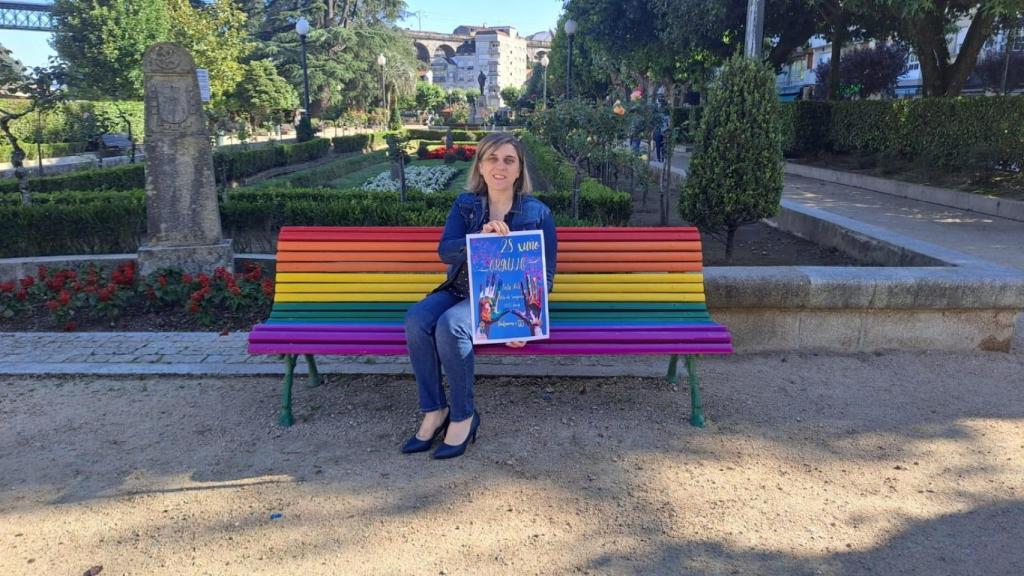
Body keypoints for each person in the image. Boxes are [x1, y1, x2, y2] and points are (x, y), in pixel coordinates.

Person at [402, 133, 558, 459]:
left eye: (508, 160)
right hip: (459, 289)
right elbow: (446, 250)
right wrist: (477, 238)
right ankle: (434, 411)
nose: (499, 166)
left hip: (501, 300)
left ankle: (463, 415)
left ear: (519, 171)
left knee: (451, 325)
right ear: (481, 166)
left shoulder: (537, 213)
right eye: (492, 158)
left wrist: (525, 323)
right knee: (417, 319)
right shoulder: (465, 205)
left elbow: (544, 275)